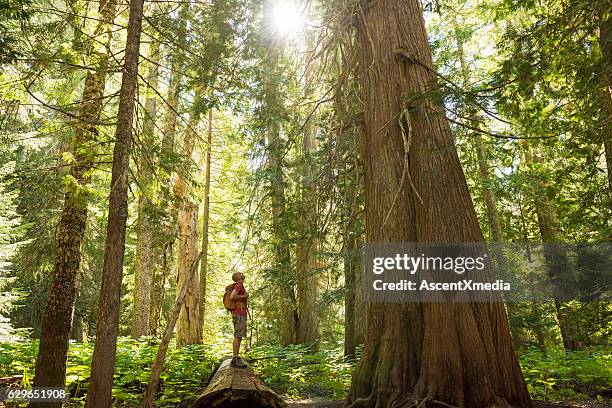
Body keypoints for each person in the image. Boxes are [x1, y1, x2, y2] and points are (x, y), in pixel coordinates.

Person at [230, 271, 248, 368]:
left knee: (239, 335)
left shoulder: (239, 285)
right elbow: (232, 296)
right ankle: (235, 359)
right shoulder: (239, 285)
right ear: (238, 277)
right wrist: (244, 296)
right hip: (239, 313)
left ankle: (236, 357)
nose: (243, 274)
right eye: (241, 274)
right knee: (238, 335)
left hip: (240, 313)